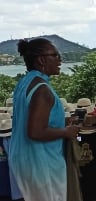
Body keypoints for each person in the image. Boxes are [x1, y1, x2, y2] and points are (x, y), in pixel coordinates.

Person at [8, 38, 80, 201]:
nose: (60, 59)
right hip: (40, 162)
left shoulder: (25, 82)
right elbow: (35, 131)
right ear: (41, 60)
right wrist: (66, 132)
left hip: (24, 157)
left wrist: (62, 123)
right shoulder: (42, 90)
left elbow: (32, 117)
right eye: (55, 55)